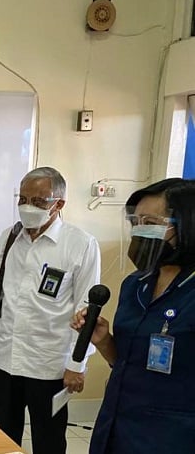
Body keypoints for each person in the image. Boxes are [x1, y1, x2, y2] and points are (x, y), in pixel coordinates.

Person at [0, 167, 101, 454]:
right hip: (6, 357)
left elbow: (87, 310)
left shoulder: (80, 244)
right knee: (3, 435)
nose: (28, 207)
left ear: (59, 204)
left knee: (49, 439)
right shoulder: (9, 237)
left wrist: (77, 365)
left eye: (39, 201)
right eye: (23, 199)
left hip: (51, 364)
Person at [71, 178, 195, 453]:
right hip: (119, 424)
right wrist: (104, 341)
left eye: (149, 221)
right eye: (136, 222)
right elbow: (127, 361)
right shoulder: (136, 284)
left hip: (174, 435)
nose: (140, 231)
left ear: (187, 225)